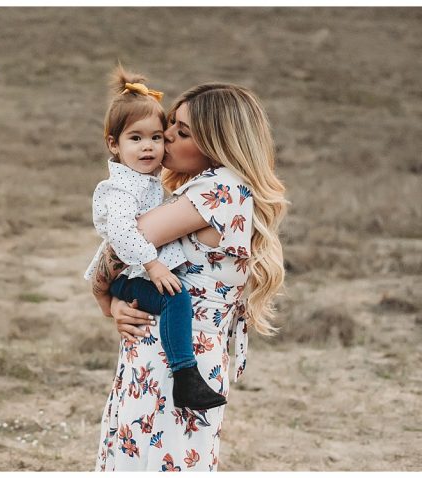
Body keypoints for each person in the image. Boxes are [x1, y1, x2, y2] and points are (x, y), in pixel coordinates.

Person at [89, 81, 287, 471]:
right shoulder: (223, 188)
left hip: (174, 354)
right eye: (169, 129)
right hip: (176, 341)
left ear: (218, 142)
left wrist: (102, 295)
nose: (165, 141)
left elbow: (122, 243)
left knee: (162, 458)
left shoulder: (219, 190)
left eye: (181, 132)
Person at [84, 66, 226, 411]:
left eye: (156, 137)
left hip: (135, 272)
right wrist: (152, 264)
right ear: (113, 145)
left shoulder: (145, 177)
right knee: (175, 300)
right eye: (136, 139)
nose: (148, 147)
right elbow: (120, 233)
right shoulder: (121, 187)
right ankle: (185, 376)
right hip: (133, 273)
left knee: (173, 298)